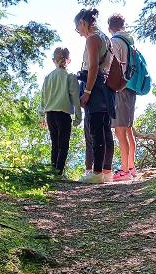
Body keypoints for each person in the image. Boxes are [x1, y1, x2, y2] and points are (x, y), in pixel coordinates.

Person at [75, 8, 115, 184]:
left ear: (83, 23)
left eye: (78, 27)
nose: (79, 32)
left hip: (95, 87)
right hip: (105, 87)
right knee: (105, 129)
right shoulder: (105, 38)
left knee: (96, 129)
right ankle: (106, 171)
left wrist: (87, 92)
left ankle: (97, 172)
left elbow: (92, 67)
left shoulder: (92, 38)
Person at [39, 47, 82, 177]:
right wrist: (78, 116)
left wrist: (41, 115)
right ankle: (58, 172)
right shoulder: (71, 76)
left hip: (50, 114)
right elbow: (75, 97)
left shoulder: (48, 77)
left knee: (54, 144)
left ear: (53, 60)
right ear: (68, 60)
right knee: (63, 145)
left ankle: (53, 171)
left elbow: (43, 97)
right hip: (63, 115)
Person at [108, 14, 137, 181]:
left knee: (120, 130)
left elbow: (112, 66)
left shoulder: (115, 42)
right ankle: (131, 167)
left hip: (120, 88)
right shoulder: (129, 41)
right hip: (131, 87)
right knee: (128, 128)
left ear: (110, 27)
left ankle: (125, 171)